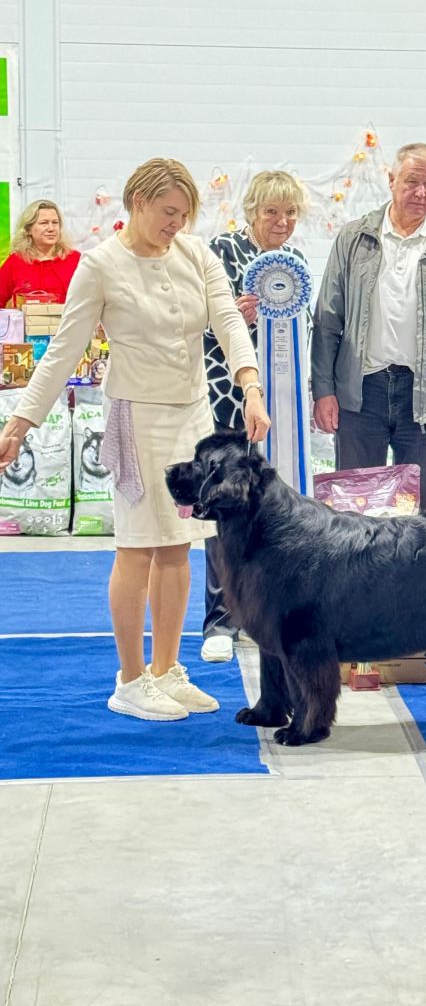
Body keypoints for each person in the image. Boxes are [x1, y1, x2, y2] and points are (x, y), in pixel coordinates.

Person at [0, 158, 270, 721]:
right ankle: (129, 678)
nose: (176, 223)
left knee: (178, 542)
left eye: (184, 214)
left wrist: (250, 384)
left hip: (192, 417)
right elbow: (63, 353)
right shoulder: (99, 265)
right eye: (168, 212)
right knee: (137, 544)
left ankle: (168, 669)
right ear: (138, 203)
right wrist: (21, 421)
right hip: (135, 416)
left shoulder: (196, 254)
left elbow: (226, 319)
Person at [311, 142, 426, 512]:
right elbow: (326, 321)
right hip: (359, 393)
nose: (421, 192)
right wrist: (323, 389)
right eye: (412, 181)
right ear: (391, 180)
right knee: (352, 515)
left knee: (419, 518)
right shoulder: (354, 238)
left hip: (425, 398)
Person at [201, 169, 309, 663]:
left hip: (283, 408)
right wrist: (237, 318)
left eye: (290, 212)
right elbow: (201, 321)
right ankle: (220, 620)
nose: (282, 221)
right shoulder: (221, 252)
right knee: (227, 509)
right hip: (228, 400)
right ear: (251, 213)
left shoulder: (298, 261)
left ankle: (275, 609)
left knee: (281, 512)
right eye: (271, 211)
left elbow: (305, 329)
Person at [0, 199, 81, 306]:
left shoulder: (75, 259)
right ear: (28, 229)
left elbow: (91, 298)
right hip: (28, 322)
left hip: (67, 322)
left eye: (55, 223)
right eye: (44, 223)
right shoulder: (15, 261)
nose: (51, 228)